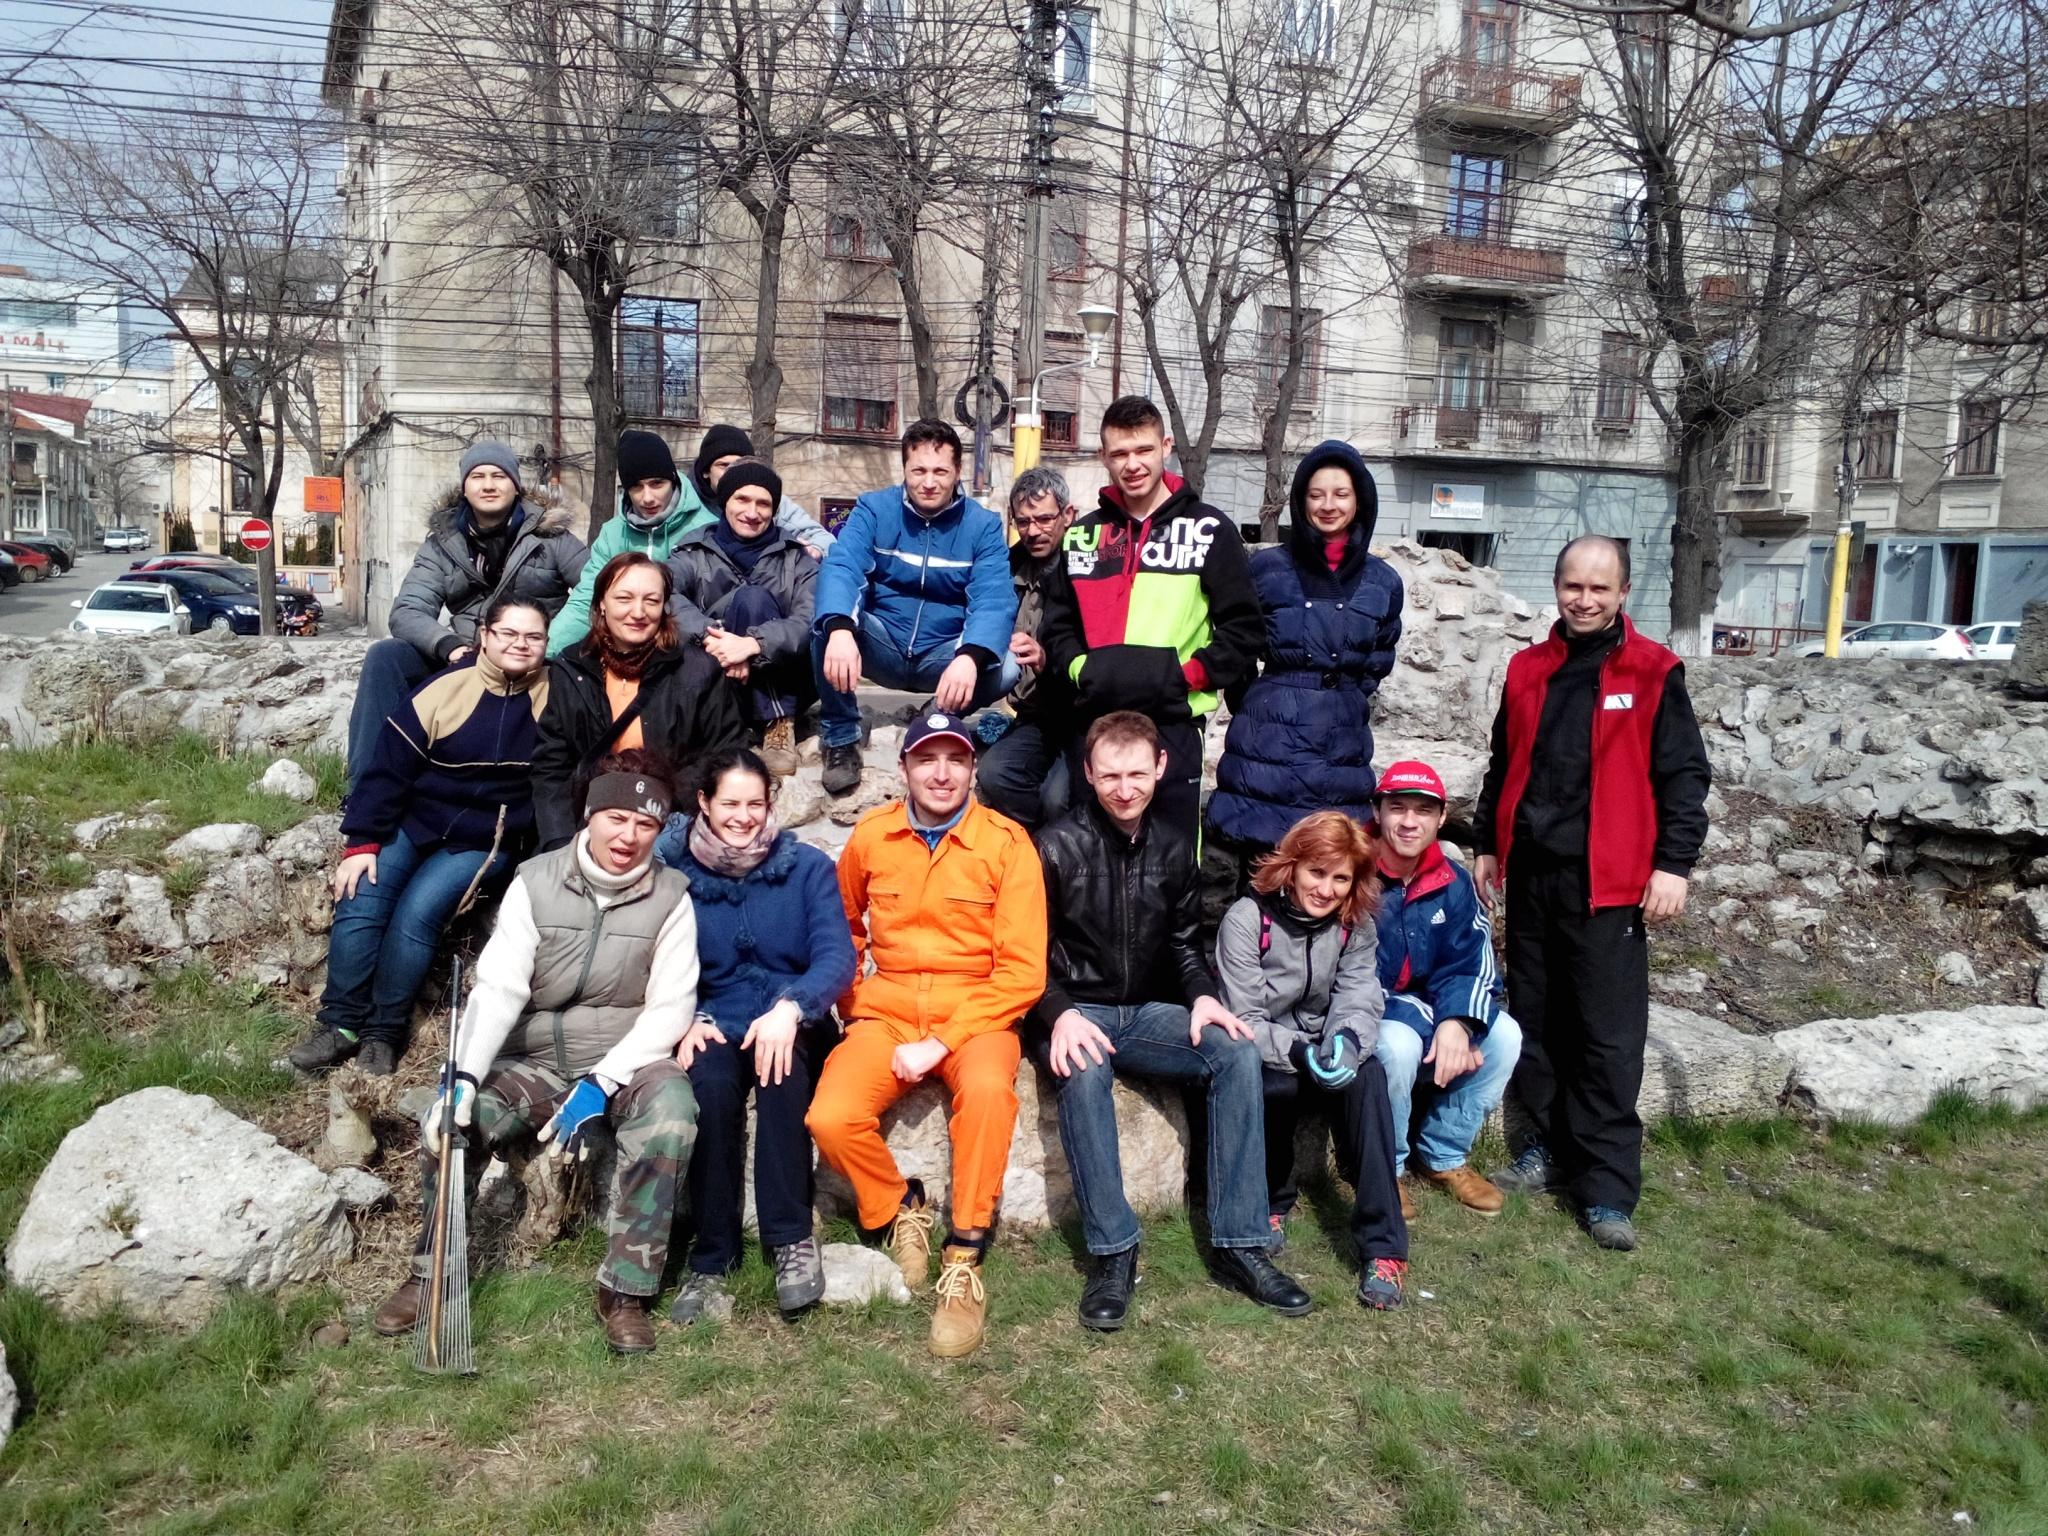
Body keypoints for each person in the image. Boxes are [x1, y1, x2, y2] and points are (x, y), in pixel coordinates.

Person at [371, 752, 699, 1355]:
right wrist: (464, 1076)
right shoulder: (535, 882)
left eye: (646, 824)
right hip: (536, 1059)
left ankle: (625, 1291)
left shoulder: (672, 897)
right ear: (590, 814)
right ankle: (433, 1271)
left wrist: (603, 1080)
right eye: (616, 818)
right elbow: (499, 988)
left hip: (626, 1060)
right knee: (455, 1123)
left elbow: (671, 1007)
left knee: (673, 1111)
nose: (628, 836)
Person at [1033, 711, 1313, 1331]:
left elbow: (1186, 945)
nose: (1124, 788)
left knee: (1234, 1050)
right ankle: (1114, 1252)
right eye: (1110, 775)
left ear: (1161, 768)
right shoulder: (1052, 846)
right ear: (1088, 773)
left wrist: (1204, 997)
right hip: (1077, 1008)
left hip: (1146, 1011)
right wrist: (1059, 1014)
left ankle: (1240, 1243)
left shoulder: (1174, 844)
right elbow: (1026, 953)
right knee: (1083, 1069)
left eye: (1137, 774)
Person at [1473, 535, 1710, 1253]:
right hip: (1534, 877)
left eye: (1599, 588)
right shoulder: (1528, 668)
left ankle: (1606, 1187)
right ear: (1557, 587)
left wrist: (1673, 865)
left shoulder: (1653, 670)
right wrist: (1487, 844)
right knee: (1538, 1023)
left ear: (1623, 593)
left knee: (1607, 1039)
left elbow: (1684, 777)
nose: (1584, 599)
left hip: (1609, 884)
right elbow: (1503, 763)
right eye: (1573, 586)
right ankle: (1544, 1151)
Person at [804, 712, 1046, 1358]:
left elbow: (1023, 971)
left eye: (955, 760)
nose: (942, 774)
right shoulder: (873, 836)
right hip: (888, 1008)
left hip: (979, 1009)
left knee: (989, 1095)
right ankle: (897, 1207)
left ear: (973, 768)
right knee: (831, 1116)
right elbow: (843, 927)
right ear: (904, 768)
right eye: (927, 759)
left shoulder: (1007, 844)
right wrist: (854, 1004)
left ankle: (964, 1254)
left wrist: (941, 1042)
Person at [291, 597, 552, 1078]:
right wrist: (362, 842)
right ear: (485, 637)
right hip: (415, 823)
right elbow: (387, 770)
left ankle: (384, 1032)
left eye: (533, 636)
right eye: (509, 633)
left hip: (484, 841)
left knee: (417, 913)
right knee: (361, 896)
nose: (521, 644)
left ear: (546, 643)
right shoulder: (444, 689)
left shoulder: (555, 699)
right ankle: (340, 1023)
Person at [657, 749, 857, 1324]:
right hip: (714, 1018)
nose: (743, 817)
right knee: (711, 1088)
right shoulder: (678, 878)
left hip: (791, 1020)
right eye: (730, 804)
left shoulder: (807, 867)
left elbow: (836, 956)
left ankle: (790, 1238)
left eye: (755, 804)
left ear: (771, 804)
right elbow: (659, 961)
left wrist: (793, 1008)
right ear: (704, 802)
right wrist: (685, 1018)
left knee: (782, 1073)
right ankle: (712, 1257)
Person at [1039, 395, 1262, 841]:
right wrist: (1084, 671)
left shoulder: (1210, 530)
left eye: (1143, 450)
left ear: (1165, 446)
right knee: (1092, 858)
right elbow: (1057, 627)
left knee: (1173, 858)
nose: (1132, 464)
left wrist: (1185, 676)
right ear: (1103, 456)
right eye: (1120, 453)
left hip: (1174, 723)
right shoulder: (1082, 535)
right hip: (1097, 723)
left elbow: (1243, 630)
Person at [1216, 811, 1411, 1310]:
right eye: (1316, 873)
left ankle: (1384, 1248)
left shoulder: (1355, 924)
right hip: (1271, 1050)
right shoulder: (1247, 919)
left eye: (1340, 878)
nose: (1326, 890)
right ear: (1292, 866)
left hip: (1326, 1044)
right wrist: (1298, 1051)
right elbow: (1244, 1017)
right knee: (1270, 1083)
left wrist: (1346, 1040)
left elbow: (1360, 996)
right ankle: (1273, 1201)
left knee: (1369, 1075)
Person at [1208, 440, 1403, 871]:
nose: (1328, 505)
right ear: (1301, 501)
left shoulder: (1383, 581)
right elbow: (1239, 644)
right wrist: (1261, 701)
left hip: (1340, 743)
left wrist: (1341, 697)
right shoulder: (1267, 568)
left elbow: (1379, 656)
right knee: (1263, 869)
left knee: (1329, 867)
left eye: (1341, 494)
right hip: (1266, 740)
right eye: (1316, 495)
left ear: (1360, 500)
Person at [346, 441, 587, 785]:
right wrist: (449, 646)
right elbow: (408, 609)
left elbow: (598, 591)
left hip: (534, 658)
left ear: (515, 485)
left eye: (499, 476)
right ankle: (365, 788)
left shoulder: (551, 538)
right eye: (477, 476)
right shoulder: (442, 543)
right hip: (466, 656)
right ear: (464, 487)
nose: (488, 485)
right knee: (386, 657)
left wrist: (549, 644)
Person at [811, 420, 1018, 796]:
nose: (929, 482)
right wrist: (840, 629)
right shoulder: (874, 509)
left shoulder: (983, 526)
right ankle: (841, 737)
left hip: (943, 656)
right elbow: (843, 566)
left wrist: (970, 656)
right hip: (883, 643)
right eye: (918, 471)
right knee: (827, 625)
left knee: (1007, 667)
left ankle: (938, 715)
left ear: (957, 471)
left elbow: (994, 598)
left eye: (940, 471)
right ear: (904, 468)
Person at [1368, 760, 1522, 1216]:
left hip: (1436, 1011)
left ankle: (1443, 1154)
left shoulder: (1453, 882)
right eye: (1397, 808)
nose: (1409, 822)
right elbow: (1349, 979)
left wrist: (1459, 1023)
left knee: (1505, 1035)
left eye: (1423, 811)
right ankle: (1387, 1168)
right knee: (1397, 1044)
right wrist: (1437, 1023)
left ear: (1440, 820)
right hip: (1372, 1015)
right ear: (1377, 812)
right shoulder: (1352, 872)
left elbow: (1475, 966)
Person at [531, 551, 749, 850]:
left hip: (672, 823)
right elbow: (552, 765)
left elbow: (723, 754)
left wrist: (657, 804)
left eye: (651, 600)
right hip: (588, 823)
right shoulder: (572, 668)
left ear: (664, 606)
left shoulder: (697, 670)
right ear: (602, 603)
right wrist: (559, 841)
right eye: (624, 599)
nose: (638, 612)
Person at [665, 457, 817, 777]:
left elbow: (809, 617)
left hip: (787, 681)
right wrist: (713, 636)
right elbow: (664, 595)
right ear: (725, 502)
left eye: (763, 503)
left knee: (753, 599)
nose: (752, 512)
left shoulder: (796, 558)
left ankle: (778, 723)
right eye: (742, 499)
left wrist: (753, 645)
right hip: (716, 674)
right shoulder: (693, 551)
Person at [975, 465, 1079, 830]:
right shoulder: (1006, 568)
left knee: (1058, 797)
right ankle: (1038, 846)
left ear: (1068, 515)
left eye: (1044, 519)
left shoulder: (1087, 567)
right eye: (1023, 522)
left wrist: (1048, 659)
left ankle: (1062, 850)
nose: (1033, 531)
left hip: (1083, 715)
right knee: (994, 774)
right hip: (1035, 715)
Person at [687, 423, 834, 557]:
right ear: (705, 471)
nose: (731, 472)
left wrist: (813, 551)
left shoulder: (772, 502)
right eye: (724, 465)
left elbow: (823, 539)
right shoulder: (686, 500)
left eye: (740, 465)